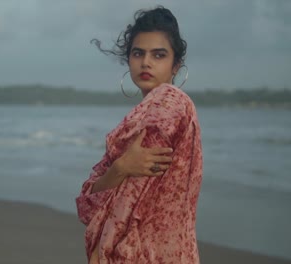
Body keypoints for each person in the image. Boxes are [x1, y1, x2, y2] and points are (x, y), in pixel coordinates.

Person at [76, 6, 203, 264]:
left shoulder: (170, 103)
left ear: (175, 65)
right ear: (129, 60)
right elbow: (87, 203)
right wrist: (122, 166)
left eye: (158, 55)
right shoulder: (140, 118)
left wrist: (103, 249)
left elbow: (130, 198)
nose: (146, 62)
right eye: (138, 53)